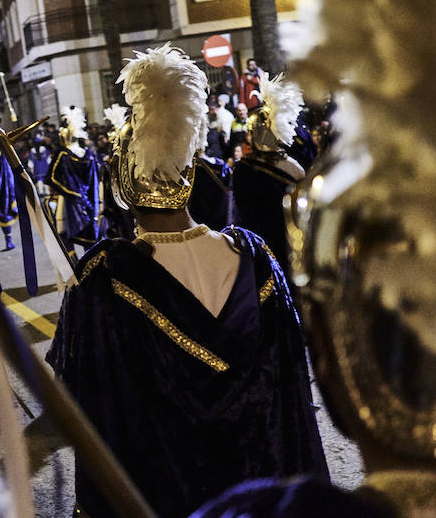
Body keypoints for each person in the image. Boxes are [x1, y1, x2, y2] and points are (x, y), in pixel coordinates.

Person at [47, 45, 327, 517]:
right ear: (191, 171)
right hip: (255, 497)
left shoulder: (104, 277)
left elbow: (77, 402)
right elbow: (292, 389)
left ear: (124, 186)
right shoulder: (255, 259)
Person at [231, 73, 306, 277]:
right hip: (292, 247)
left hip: (260, 249)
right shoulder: (294, 166)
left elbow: (237, 215)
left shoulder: (244, 169)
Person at [44, 106, 102, 257]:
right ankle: (89, 260)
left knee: (64, 230)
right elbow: (97, 177)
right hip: (89, 200)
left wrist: (69, 192)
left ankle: (76, 261)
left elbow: (51, 177)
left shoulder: (62, 154)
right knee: (89, 233)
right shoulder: (89, 155)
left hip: (69, 200)